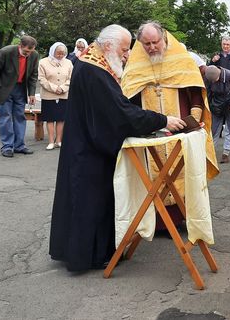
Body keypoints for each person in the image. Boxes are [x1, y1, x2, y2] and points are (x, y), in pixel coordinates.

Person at [49, 24, 186, 272]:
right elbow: (120, 114)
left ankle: (82, 250)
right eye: (124, 50)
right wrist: (162, 120)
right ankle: (89, 256)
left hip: (83, 145)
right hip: (89, 152)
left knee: (84, 200)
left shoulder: (90, 61)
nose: (126, 55)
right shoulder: (95, 71)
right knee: (91, 202)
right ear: (109, 46)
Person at [121, 21, 219, 230]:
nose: (151, 47)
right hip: (149, 133)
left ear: (163, 38)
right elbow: (128, 98)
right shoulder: (134, 66)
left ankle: (182, 216)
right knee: (150, 173)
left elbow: (195, 93)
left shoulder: (182, 60)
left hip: (180, 130)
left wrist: (193, 121)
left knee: (183, 173)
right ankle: (156, 222)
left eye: (155, 42)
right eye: (146, 44)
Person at [0, 35, 39, 157]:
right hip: (4, 89)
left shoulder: (34, 55)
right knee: (5, 117)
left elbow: (33, 75)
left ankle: (19, 145)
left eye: (30, 52)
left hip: (20, 89)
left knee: (20, 117)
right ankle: (7, 147)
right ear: (20, 46)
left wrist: (31, 93)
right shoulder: (6, 52)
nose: (28, 54)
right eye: (26, 51)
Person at [204, 65, 230, 163]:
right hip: (216, 106)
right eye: (212, 81)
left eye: (215, 80)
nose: (214, 82)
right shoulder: (208, 78)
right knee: (214, 130)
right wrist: (207, 107)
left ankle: (226, 153)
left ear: (219, 74)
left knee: (229, 130)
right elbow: (208, 93)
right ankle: (210, 154)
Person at [38, 42, 73, 150]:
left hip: (64, 94)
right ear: (53, 52)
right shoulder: (43, 62)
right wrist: (54, 88)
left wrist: (63, 88)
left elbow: (71, 78)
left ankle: (59, 140)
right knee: (50, 119)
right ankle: (50, 142)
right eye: (58, 53)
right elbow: (42, 78)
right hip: (48, 95)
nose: (60, 55)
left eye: (63, 53)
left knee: (61, 119)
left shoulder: (68, 62)